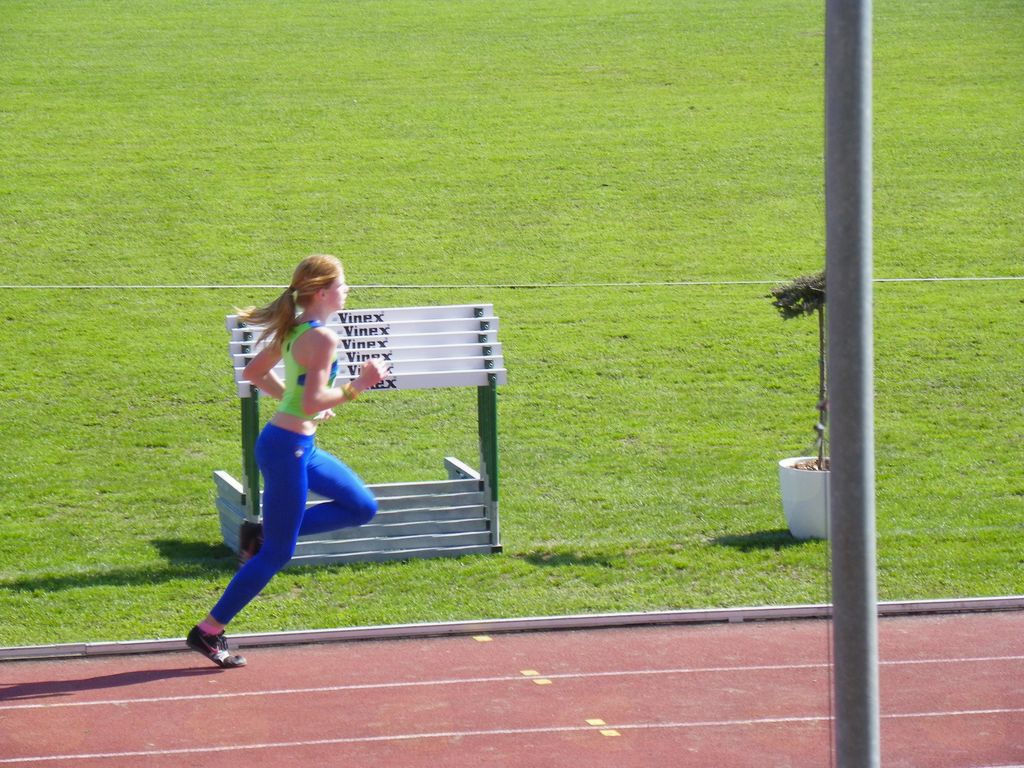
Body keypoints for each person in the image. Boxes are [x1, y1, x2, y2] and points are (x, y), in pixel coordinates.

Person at [187, 254, 387, 668]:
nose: (348, 289)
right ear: (322, 292)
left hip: (296, 445)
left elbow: (257, 374)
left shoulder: (296, 328)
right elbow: (309, 398)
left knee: (361, 507)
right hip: (287, 449)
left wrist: (301, 404)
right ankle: (208, 631)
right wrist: (359, 385)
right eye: (342, 284)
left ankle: (262, 534)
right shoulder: (322, 338)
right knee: (278, 554)